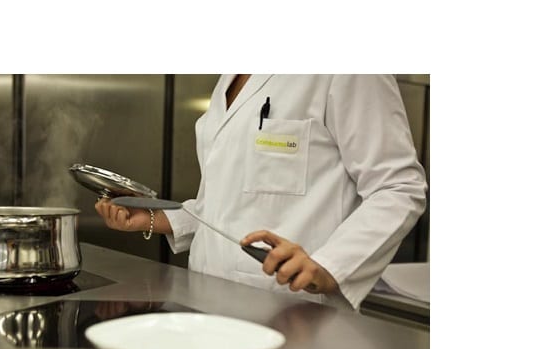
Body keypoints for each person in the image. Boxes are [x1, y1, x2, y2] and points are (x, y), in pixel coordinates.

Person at [95, 74, 427, 310]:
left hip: (293, 315)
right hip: (206, 307)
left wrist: (330, 265)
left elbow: (398, 187)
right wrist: (156, 218)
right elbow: (227, 202)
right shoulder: (230, 77)